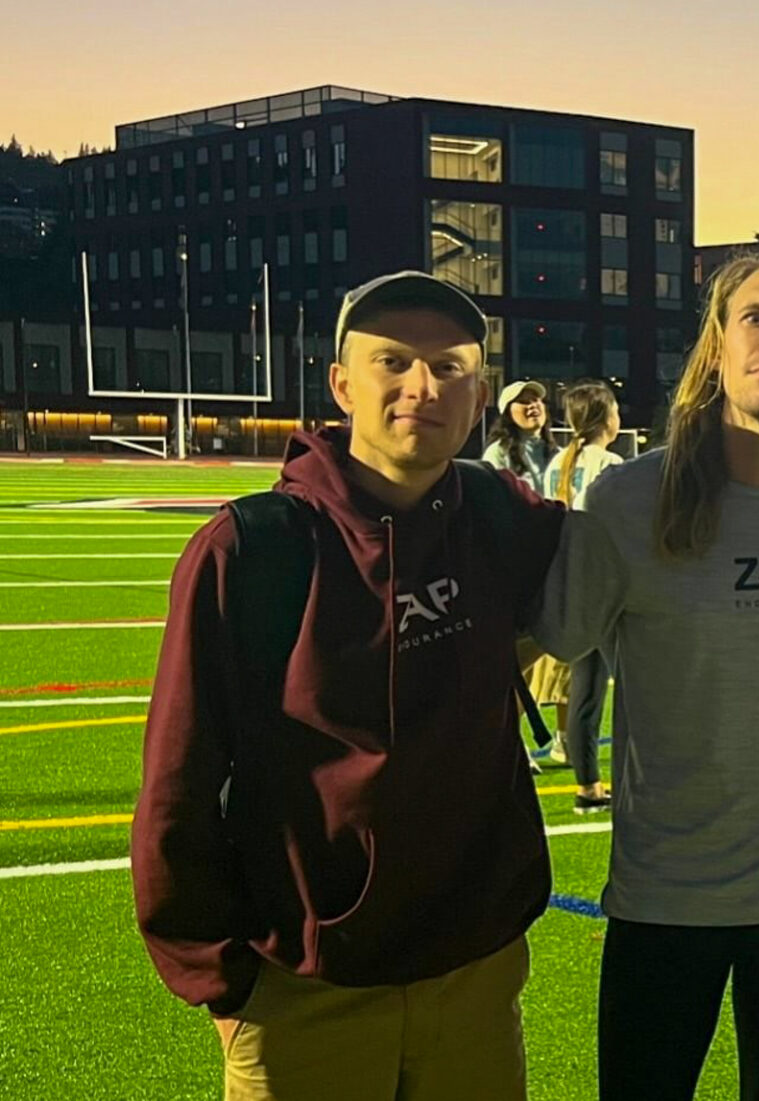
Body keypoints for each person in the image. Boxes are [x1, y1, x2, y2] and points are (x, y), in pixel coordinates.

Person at [131, 270, 569, 1101]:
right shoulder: (252, 547)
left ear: (480, 396)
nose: (422, 386)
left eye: (449, 367)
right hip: (305, 987)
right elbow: (177, 781)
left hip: (472, 978)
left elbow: (643, 541)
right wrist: (222, 981)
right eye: (392, 361)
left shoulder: (498, 516)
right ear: (341, 384)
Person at [535, 243, 759, 1101]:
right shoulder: (630, 499)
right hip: (665, 894)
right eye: (756, 317)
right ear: (717, 349)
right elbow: (546, 633)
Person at [541, 380, 624, 812]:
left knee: (585, 689)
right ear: (605, 418)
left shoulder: (557, 463)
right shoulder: (610, 464)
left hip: (570, 583)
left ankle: (588, 784)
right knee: (628, 686)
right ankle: (612, 783)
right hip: (606, 586)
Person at [482, 379, 554, 493]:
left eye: (536, 400)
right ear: (508, 414)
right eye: (523, 402)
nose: (532, 406)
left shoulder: (557, 453)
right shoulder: (498, 453)